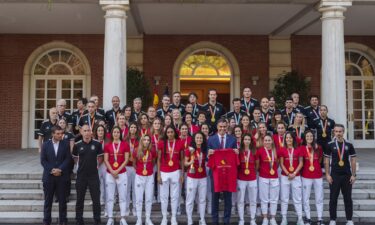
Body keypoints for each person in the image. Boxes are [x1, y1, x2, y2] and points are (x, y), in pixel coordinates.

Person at [207, 119, 238, 225]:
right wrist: (209, 153)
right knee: (214, 197)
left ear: (227, 127)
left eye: (224, 126)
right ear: (217, 127)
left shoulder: (232, 139)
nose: (222, 129)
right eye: (220, 126)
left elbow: (235, 156)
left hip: (228, 173)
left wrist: (236, 152)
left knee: (227, 197)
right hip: (215, 172)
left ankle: (226, 220)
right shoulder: (211, 139)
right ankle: (214, 220)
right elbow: (207, 156)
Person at [325, 124, 357, 225]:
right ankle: (333, 219)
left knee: (348, 198)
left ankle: (349, 220)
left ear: (343, 132)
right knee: (333, 198)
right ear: (333, 132)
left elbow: (353, 160)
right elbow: (326, 161)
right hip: (334, 175)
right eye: (336, 131)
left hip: (347, 175)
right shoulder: (330, 144)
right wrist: (327, 174)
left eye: (340, 131)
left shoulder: (349, 144)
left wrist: (353, 175)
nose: (338, 133)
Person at [72, 124, 103, 225]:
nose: (86, 133)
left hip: (93, 175)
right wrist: (81, 166)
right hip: (81, 176)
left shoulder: (97, 144)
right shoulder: (77, 145)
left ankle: (97, 219)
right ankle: (79, 219)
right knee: (80, 199)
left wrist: (95, 166)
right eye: (84, 131)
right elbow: (75, 158)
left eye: (88, 130)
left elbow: (100, 158)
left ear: (91, 132)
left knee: (96, 199)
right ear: (81, 132)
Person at [40, 125, 72, 225]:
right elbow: (43, 161)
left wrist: (60, 169)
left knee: (62, 202)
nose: (60, 135)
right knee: (48, 202)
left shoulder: (66, 144)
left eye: (61, 133)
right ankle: (46, 221)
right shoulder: (45, 145)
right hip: (49, 177)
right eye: (58, 134)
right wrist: (52, 170)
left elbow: (68, 159)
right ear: (53, 134)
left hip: (62, 177)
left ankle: (63, 221)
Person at [157, 125, 185, 225]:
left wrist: (182, 174)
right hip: (164, 172)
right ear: (166, 133)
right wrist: (159, 175)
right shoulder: (161, 143)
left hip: (175, 172)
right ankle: (164, 217)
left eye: (171, 132)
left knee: (175, 196)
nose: (170, 134)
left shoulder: (180, 143)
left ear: (175, 133)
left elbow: (182, 160)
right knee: (164, 196)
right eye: (168, 132)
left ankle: (173, 217)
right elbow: (159, 160)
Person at [103, 126, 130, 225]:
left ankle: (123, 217)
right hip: (110, 174)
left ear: (120, 134)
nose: (116, 134)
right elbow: (105, 160)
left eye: (117, 132)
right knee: (110, 197)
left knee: (123, 196)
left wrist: (117, 171)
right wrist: (112, 171)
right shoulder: (107, 145)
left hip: (121, 173)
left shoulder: (125, 145)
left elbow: (126, 160)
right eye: (114, 132)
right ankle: (110, 217)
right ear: (111, 134)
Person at [279, 132, 304, 225]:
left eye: (290, 138)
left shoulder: (298, 149)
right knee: (284, 198)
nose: (288, 139)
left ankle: (300, 218)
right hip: (285, 176)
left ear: (293, 139)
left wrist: (293, 173)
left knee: (297, 198)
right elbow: (281, 163)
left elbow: (301, 163)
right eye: (287, 138)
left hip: (296, 176)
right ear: (285, 139)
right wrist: (288, 173)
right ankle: (284, 218)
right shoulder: (282, 149)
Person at [301, 130, 324, 225]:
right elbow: (301, 162)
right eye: (307, 136)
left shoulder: (318, 147)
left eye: (311, 136)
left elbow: (320, 159)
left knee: (319, 198)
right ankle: (308, 218)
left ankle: (320, 218)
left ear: (313, 137)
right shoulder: (302, 148)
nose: (309, 138)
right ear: (305, 138)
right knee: (306, 198)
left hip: (318, 175)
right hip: (306, 176)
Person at [185, 132, 208, 225]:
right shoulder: (190, 150)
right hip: (192, 177)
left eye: (201, 138)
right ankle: (189, 219)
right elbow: (185, 163)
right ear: (194, 139)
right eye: (197, 138)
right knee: (190, 199)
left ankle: (202, 219)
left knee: (202, 199)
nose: (199, 139)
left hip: (203, 177)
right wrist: (191, 162)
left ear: (203, 139)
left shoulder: (205, 149)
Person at [256, 134, 279, 225]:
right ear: (263, 141)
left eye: (269, 140)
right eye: (265, 140)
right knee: (264, 199)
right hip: (263, 177)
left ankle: (272, 218)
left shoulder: (276, 150)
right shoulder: (260, 151)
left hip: (274, 177)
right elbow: (257, 165)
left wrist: (272, 170)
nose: (267, 142)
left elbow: (277, 164)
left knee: (274, 199)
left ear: (272, 141)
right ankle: (265, 217)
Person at [134, 135, 157, 225]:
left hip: (149, 176)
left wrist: (148, 169)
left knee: (148, 198)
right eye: (145, 140)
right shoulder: (136, 150)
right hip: (139, 176)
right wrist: (140, 170)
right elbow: (134, 163)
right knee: (139, 199)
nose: (146, 141)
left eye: (148, 140)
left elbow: (154, 161)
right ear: (141, 141)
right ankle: (139, 219)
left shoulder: (152, 150)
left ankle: (147, 218)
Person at [237, 133, 257, 225]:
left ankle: (252, 219)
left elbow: (257, 165)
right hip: (241, 179)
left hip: (252, 178)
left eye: (249, 139)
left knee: (253, 200)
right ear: (242, 141)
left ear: (251, 141)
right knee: (241, 200)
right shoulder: (239, 152)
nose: (247, 141)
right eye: (245, 139)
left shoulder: (254, 151)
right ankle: (241, 219)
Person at [125, 122, 139, 216]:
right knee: (126, 189)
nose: (133, 128)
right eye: (131, 127)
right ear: (129, 129)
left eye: (134, 127)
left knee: (135, 189)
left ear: (136, 129)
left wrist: (134, 159)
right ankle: (126, 208)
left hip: (135, 167)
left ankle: (134, 208)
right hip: (126, 166)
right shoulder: (125, 140)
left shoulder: (139, 140)